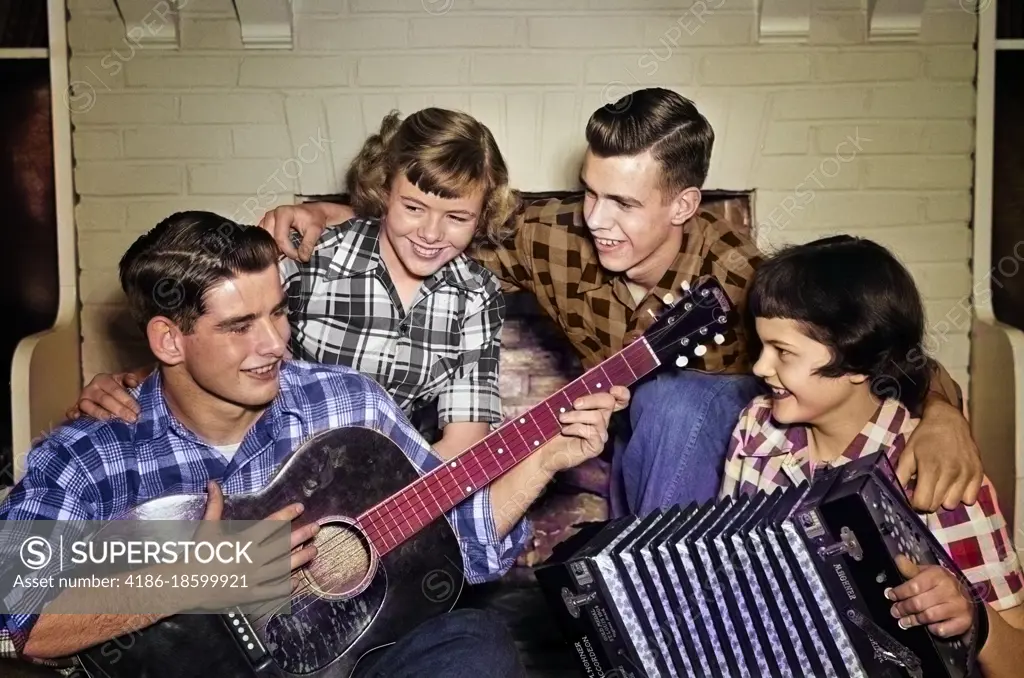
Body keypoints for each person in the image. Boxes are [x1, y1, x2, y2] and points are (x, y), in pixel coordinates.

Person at [256, 87, 982, 517]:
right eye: (589, 191)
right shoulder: (558, 236)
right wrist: (335, 215)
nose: (596, 218)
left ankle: (657, 591)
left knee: (676, 402)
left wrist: (944, 413)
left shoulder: (744, 276)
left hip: (728, 448)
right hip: (618, 443)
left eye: (623, 203)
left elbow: (872, 344)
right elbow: (435, 233)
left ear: (685, 204)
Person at [0, 212, 628, 676]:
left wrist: (545, 458)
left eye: (279, 312)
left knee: (476, 643)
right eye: (241, 326)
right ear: (168, 341)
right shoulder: (90, 455)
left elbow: (465, 540)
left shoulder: (346, 400)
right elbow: (13, 624)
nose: (275, 343)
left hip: (353, 665)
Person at [69, 107, 521, 460]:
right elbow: (220, 333)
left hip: (398, 477)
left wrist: (386, 506)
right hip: (275, 458)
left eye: (457, 218)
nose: (431, 234)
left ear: (482, 216)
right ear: (385, 188)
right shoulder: (315, 253)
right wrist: (134, 386)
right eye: (414, 208)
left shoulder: (477, 296)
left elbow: (462, 438)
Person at [720, 235, 1024, 677]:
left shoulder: (938, 474)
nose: (760, 368)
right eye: (762, 345)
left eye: (783, 352)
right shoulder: (757, 428)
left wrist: (973, 618)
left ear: (859, 362)